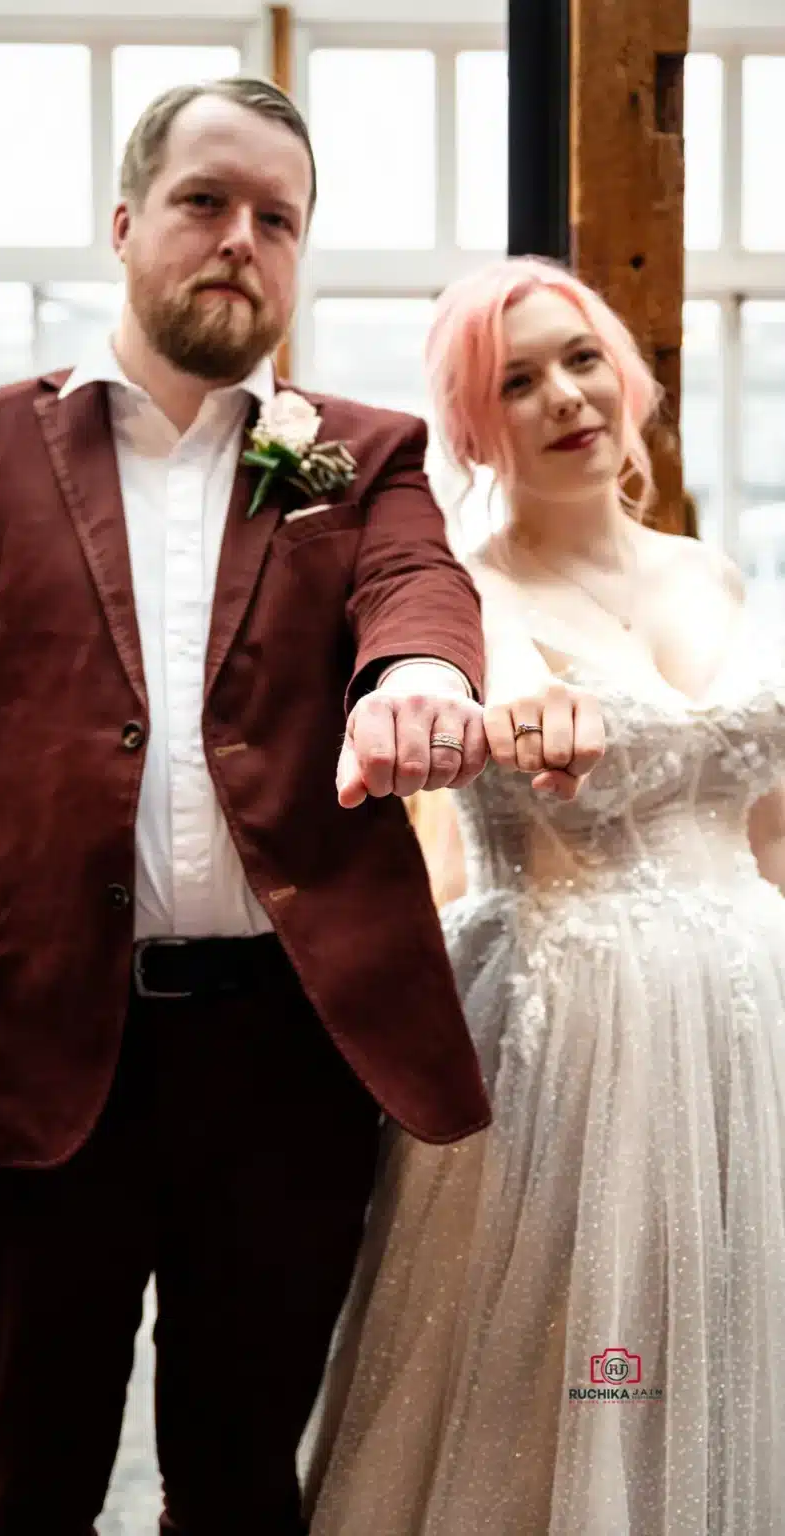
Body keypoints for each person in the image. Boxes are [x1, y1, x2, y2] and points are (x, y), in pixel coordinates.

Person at [0, 83, 605, 1536]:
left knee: (246, 1477)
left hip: (281, 1059)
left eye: (279, 219)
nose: (239, 241)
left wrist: (414, 675)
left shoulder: (360, 451)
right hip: (34, 1043)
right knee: (22, 1479)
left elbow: (417, 581)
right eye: (206, 202)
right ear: (127, 224)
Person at [305, 256, 785, 1535]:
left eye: (581, 359)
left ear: (627, 377)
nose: (566, 396)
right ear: (472, 424)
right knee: (579, 1365)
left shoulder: (714, 574)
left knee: (727, 1337)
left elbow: (770, 826)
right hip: (574, 1037)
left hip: (752, 1019)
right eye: (515, 381)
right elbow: (469, 732)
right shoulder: (467, 597)